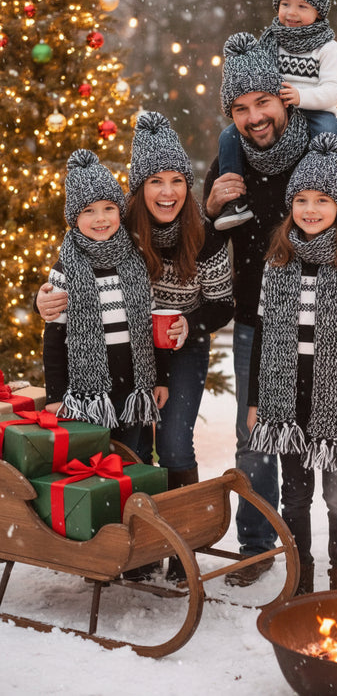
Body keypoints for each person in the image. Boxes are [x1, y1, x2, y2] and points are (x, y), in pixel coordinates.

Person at [203, 31, 337, 589]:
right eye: (241, 108)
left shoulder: (332, 154)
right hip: (262, 324)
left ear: (285, 98)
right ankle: (260, 545)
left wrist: (331, 235)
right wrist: (211, 208)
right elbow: (200, 249)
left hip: (336, 320)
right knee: (260, 439)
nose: (254, 117)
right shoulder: (227, 165)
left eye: (263, 102)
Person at [38, 113, 234, 583]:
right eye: (154, 181)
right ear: (136, 189)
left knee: (171, 443)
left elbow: (222, 304)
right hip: (123, 347)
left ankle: (178, 541)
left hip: (178, 342)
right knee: (125, 448)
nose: (166, 192)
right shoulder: (118, 223)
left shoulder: (204, 233)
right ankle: (127, 544)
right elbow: (77, 261)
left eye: (176, 181)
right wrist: (46, 298)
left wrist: (188, 324)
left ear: (188, 184)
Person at [247, 132, 337, 593]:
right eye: (301, 199)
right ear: (290, 207)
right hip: (287, 405)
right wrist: (254, 401)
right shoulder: (276, 264)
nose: (310, 209)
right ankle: (300, 573)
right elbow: (264, 337)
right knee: (296, 495)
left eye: (322, 199)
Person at [42, 148, 168, 465]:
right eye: (89, 211)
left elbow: (152, 327)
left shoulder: (135, 260)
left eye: (109, 208)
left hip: (135, 389)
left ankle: (136, 512)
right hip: (88, 393)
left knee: (136, 460)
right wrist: (55, 396)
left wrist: (160, 378)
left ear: (119, 212)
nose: (101, 218)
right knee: (94, 465)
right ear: (74, 218)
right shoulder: (65, 269)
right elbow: (54, 338)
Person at [215, 0, 337, 232]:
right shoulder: (272, 38)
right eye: (286, 4)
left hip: (315, 111)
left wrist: (302, 97)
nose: (292, 13)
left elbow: (334, 91)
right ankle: (234, 201)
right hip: (279, 112)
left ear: (319, 12)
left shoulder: (327, 48)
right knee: (228, 136)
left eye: (303, 6)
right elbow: (255, 71)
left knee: (331, 133)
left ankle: (334, 189)